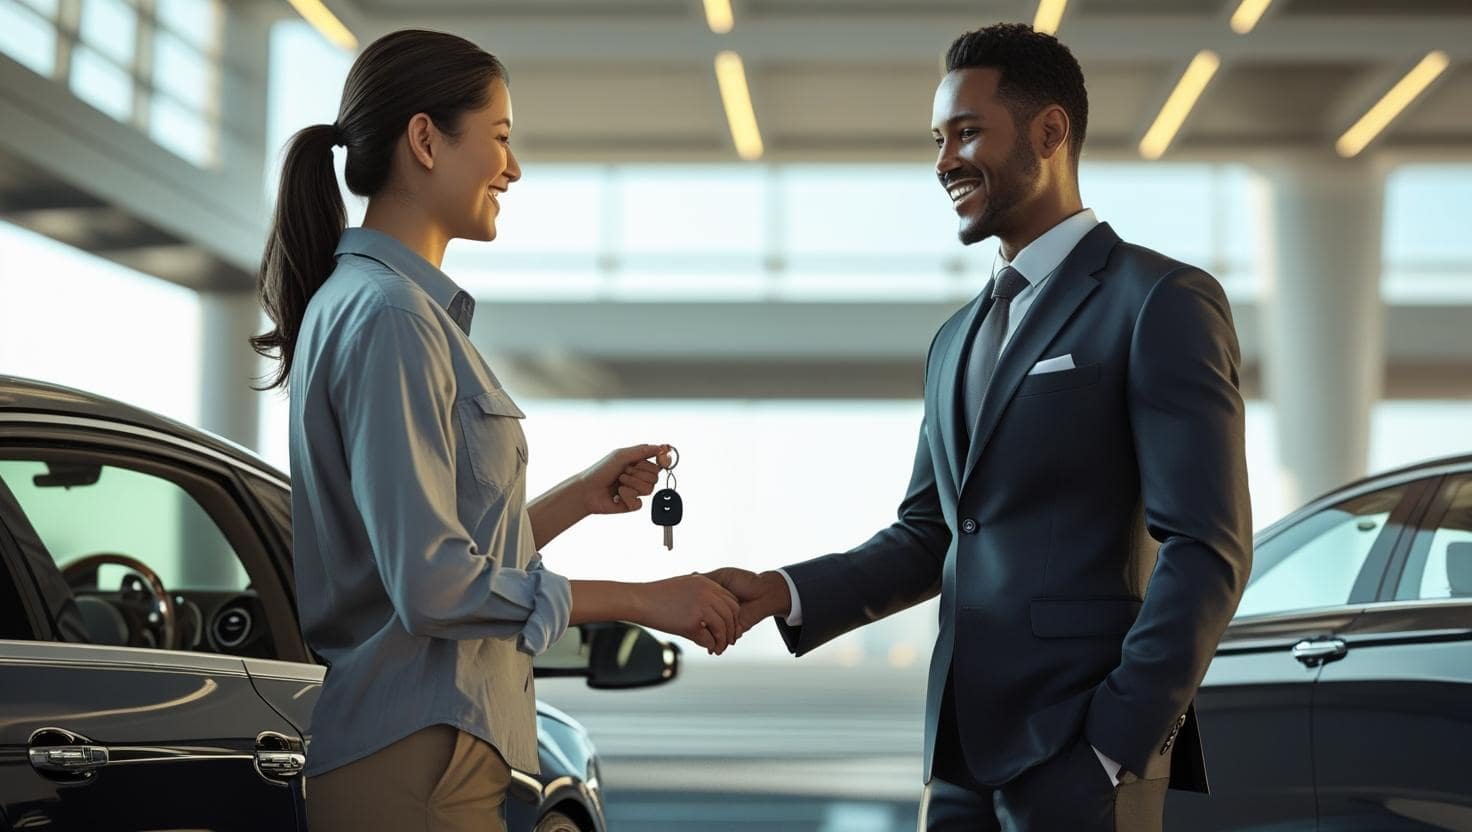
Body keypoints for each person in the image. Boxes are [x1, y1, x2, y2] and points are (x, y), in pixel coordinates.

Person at [709, 22, 1251, 832]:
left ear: (1050, 131)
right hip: (958, 762)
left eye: (968, 132)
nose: (943, 160)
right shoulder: (955, 339)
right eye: (937, 139)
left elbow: (1207, 547)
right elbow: (932, 531)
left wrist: (1115, 743)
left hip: (1082, 758)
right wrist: (783, 593)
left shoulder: (1159, 300)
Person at [251, 29, 741, 832]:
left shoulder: (371, 307)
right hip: (417, 765)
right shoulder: (393, 319)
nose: (512, 169)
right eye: (501, 138)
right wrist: (647, 600)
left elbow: (425, 551)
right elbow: (432, 584)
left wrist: (578, 498)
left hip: (413, 756)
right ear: (424, 140)